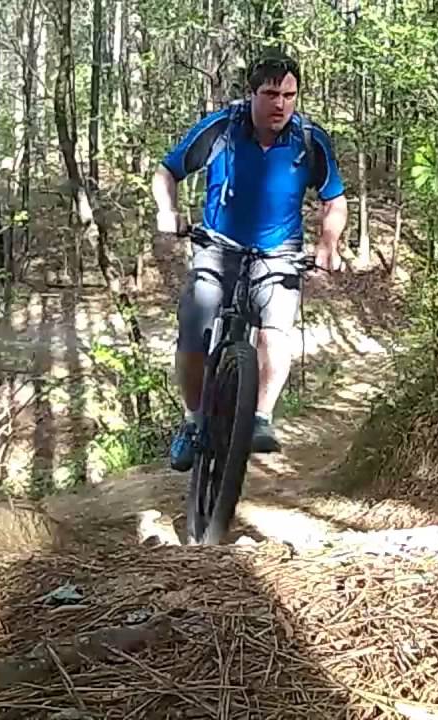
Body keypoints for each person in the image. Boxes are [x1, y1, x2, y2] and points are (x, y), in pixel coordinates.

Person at [151, 51, 348, 472]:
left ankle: (260, 417)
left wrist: (328, 243)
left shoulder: (308, 140)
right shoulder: (222, 128)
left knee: (276, 332)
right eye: (271, 93)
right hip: (218, 247)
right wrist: (167, 211)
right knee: (193, 328)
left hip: (279, 254)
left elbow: (335, 200)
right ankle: (192, 421)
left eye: (290, 95)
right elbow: (166, 172)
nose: (280, 104)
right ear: (252, 93)